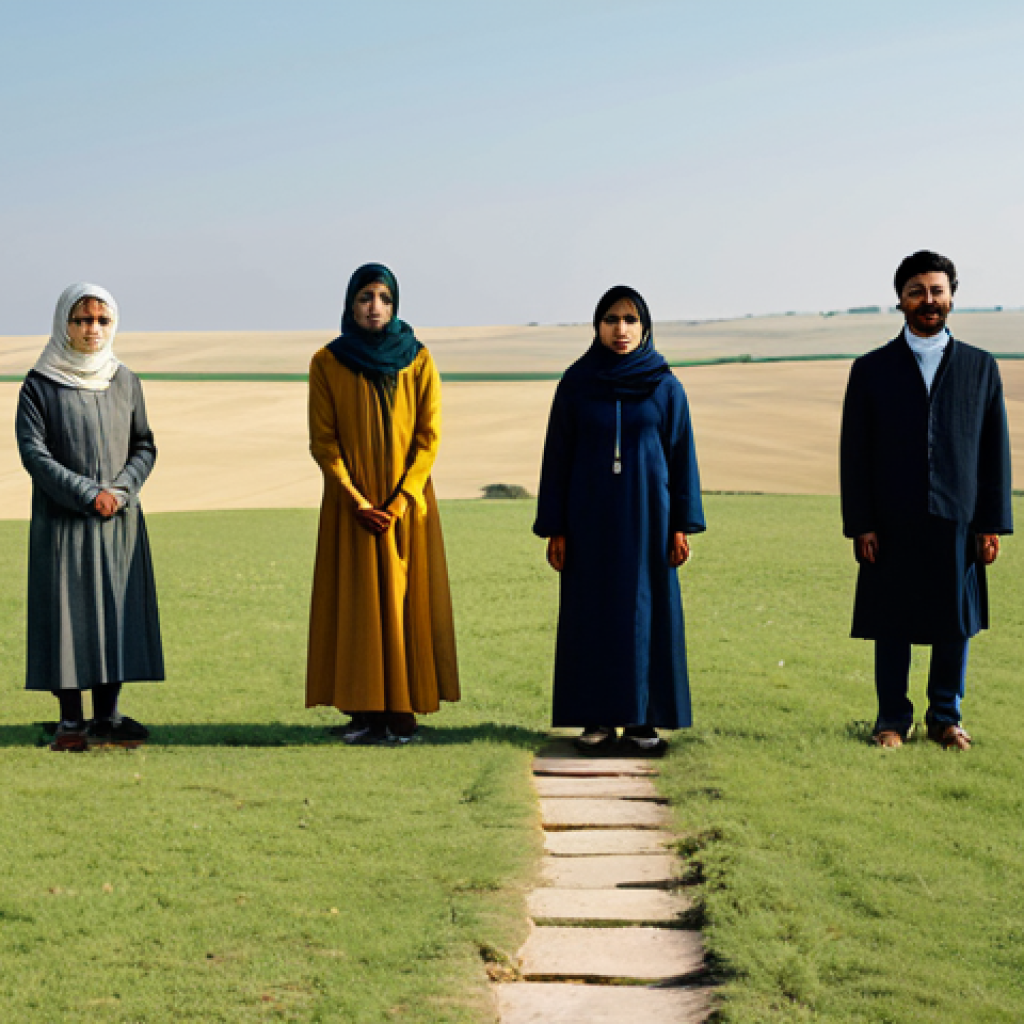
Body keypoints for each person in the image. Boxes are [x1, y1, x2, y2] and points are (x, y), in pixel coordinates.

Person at [840, 250, 1012, 751]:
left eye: (937, 290)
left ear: (952, 296)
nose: (928, 300)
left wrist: (991, 524)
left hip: (958, 517)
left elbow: (995, 451)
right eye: (917, 291)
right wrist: (861, 523)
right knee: (891, 619)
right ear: (900, 299)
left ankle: (945, 718)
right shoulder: (871, 369)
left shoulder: (981, 367)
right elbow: (855, 452)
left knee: (953, 621)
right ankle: (891, 719)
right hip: (889, 519)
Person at [533, 285, 705, 755]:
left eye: (630, 319)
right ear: (597, 326)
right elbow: (557, 458)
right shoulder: (576, 383)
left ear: (645, 326)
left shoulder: (665, 385)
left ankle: (644, 721)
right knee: (593, 614)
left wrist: (681, 526)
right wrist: (556, 527)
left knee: (646, 614)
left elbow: (681, 455)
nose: (621, 329)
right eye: (611, 319)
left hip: (650, 519)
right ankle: (597, 720)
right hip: (588, 519)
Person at [306, 263, 459, 744]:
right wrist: (355, 499)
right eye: (366, 297)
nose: (375, 307)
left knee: (403, 601)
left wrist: (398, 501)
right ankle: (364, 710)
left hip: (406, 506)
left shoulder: (419, 359)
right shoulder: (327, 362)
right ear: (351, 304)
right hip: (351, 507)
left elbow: (428, 438)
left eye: (384, 298)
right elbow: (323, 442)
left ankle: (401, 712)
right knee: (356, 604)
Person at [16, 283, 163, 752]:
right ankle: (69, 721)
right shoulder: (40, 384)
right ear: (65, 323)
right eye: (82, 320)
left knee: (114, 615)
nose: (91, 329)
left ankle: (108, 716)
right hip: (63, 524)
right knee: (68, 616)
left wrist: (119, 492)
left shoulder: (126, 381)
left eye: (101, 320)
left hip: (118, 521)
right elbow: (34, 453)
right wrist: (86, 493)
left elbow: (144, 444)